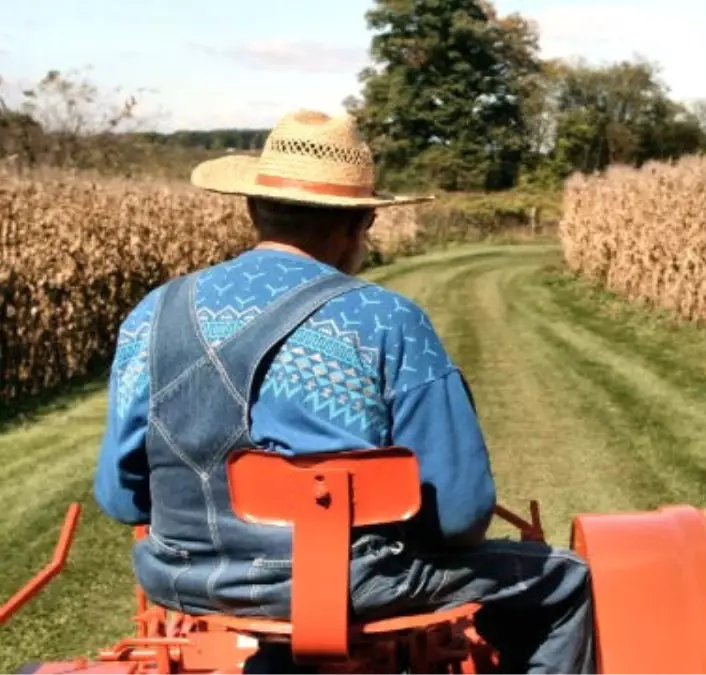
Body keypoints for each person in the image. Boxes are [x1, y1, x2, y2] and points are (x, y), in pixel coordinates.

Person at [91, 109, 595, 674]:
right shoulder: (387, 320)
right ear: (361, 225)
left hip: (183, 577)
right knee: (567, 580)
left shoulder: (152, 314)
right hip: (351, 585)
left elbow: (121, 497)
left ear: (254, 208)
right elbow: (460, 515)